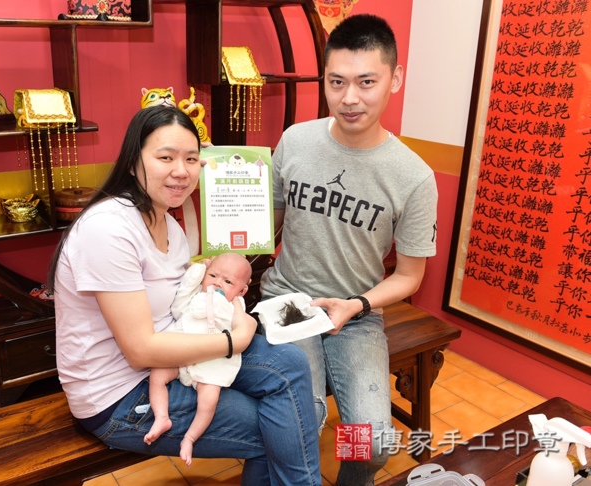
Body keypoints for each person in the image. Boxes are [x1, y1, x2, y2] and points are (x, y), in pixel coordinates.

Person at [47, 105, 321, 485]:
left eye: (191, 159)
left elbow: (182, 305)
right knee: (273, 428)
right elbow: (140, 350)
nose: (181, 170)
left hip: (175, 355)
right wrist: (233, 340)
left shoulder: (169, 226)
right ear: (133, 162)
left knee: (290, 363)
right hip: (119, 393)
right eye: (166, 157)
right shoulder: (108, 229)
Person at [260, 14, 438, 486]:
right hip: (288, 301)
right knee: (304, 419)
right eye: (336, 82)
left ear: (395, 79)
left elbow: (409, 276)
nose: (349, 98)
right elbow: (266, 227)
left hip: (356, 313)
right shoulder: (296, 140)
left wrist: (356, 305)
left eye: (366, 82)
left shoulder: (414, 177)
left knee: (373, 442)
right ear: (324, 79)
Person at [145, 252, 252, 466]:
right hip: (182, 354)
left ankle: (190, 438)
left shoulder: (235, 305)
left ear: (241, 291)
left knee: (209, 400)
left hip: (211, 364)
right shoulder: (195, 297)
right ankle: (161, 417)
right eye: (213, 276)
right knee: (157, 375)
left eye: (228, 282)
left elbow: (240, 327)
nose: (217, 283)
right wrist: (198, 270)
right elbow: (178, 306)